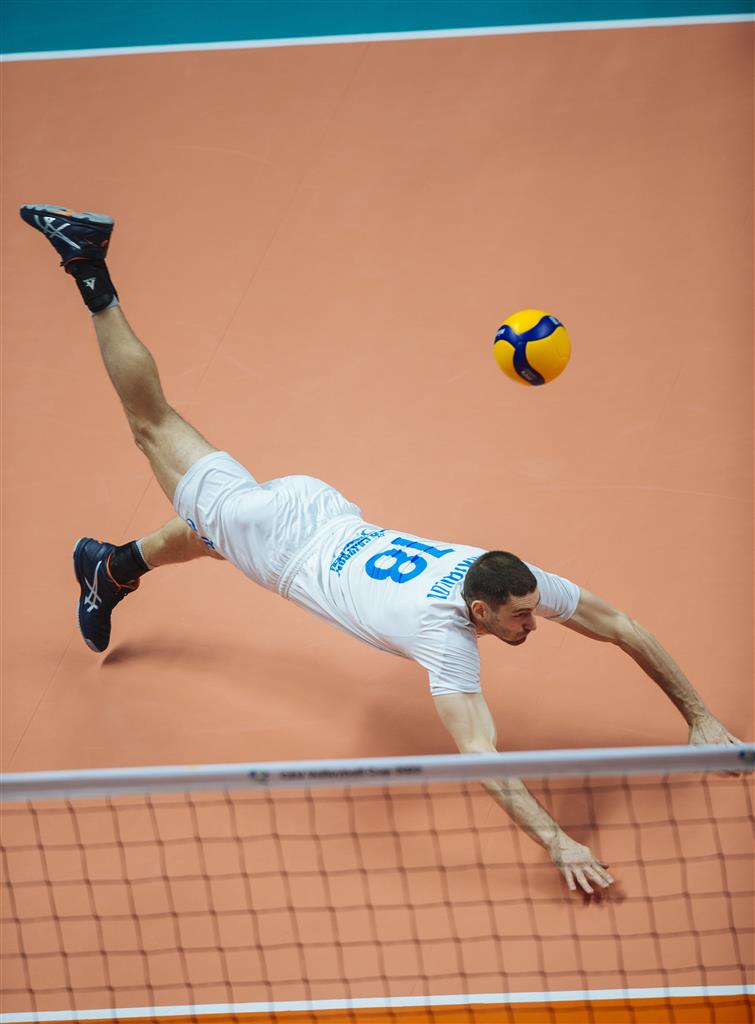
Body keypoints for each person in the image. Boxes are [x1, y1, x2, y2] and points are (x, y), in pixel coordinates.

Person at [20, 204, 742, 897]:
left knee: (211, 536)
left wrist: (699, 716)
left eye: (533, 610)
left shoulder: (508, 580)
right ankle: (90, 268)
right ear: (480, 611)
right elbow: (481, 757)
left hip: (317, 509)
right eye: (520, 617)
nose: (534, 622)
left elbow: (619, 626)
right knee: (152, 423)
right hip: (278, 542)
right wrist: (558, 842)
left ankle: (111, 569)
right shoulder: (445, 641)